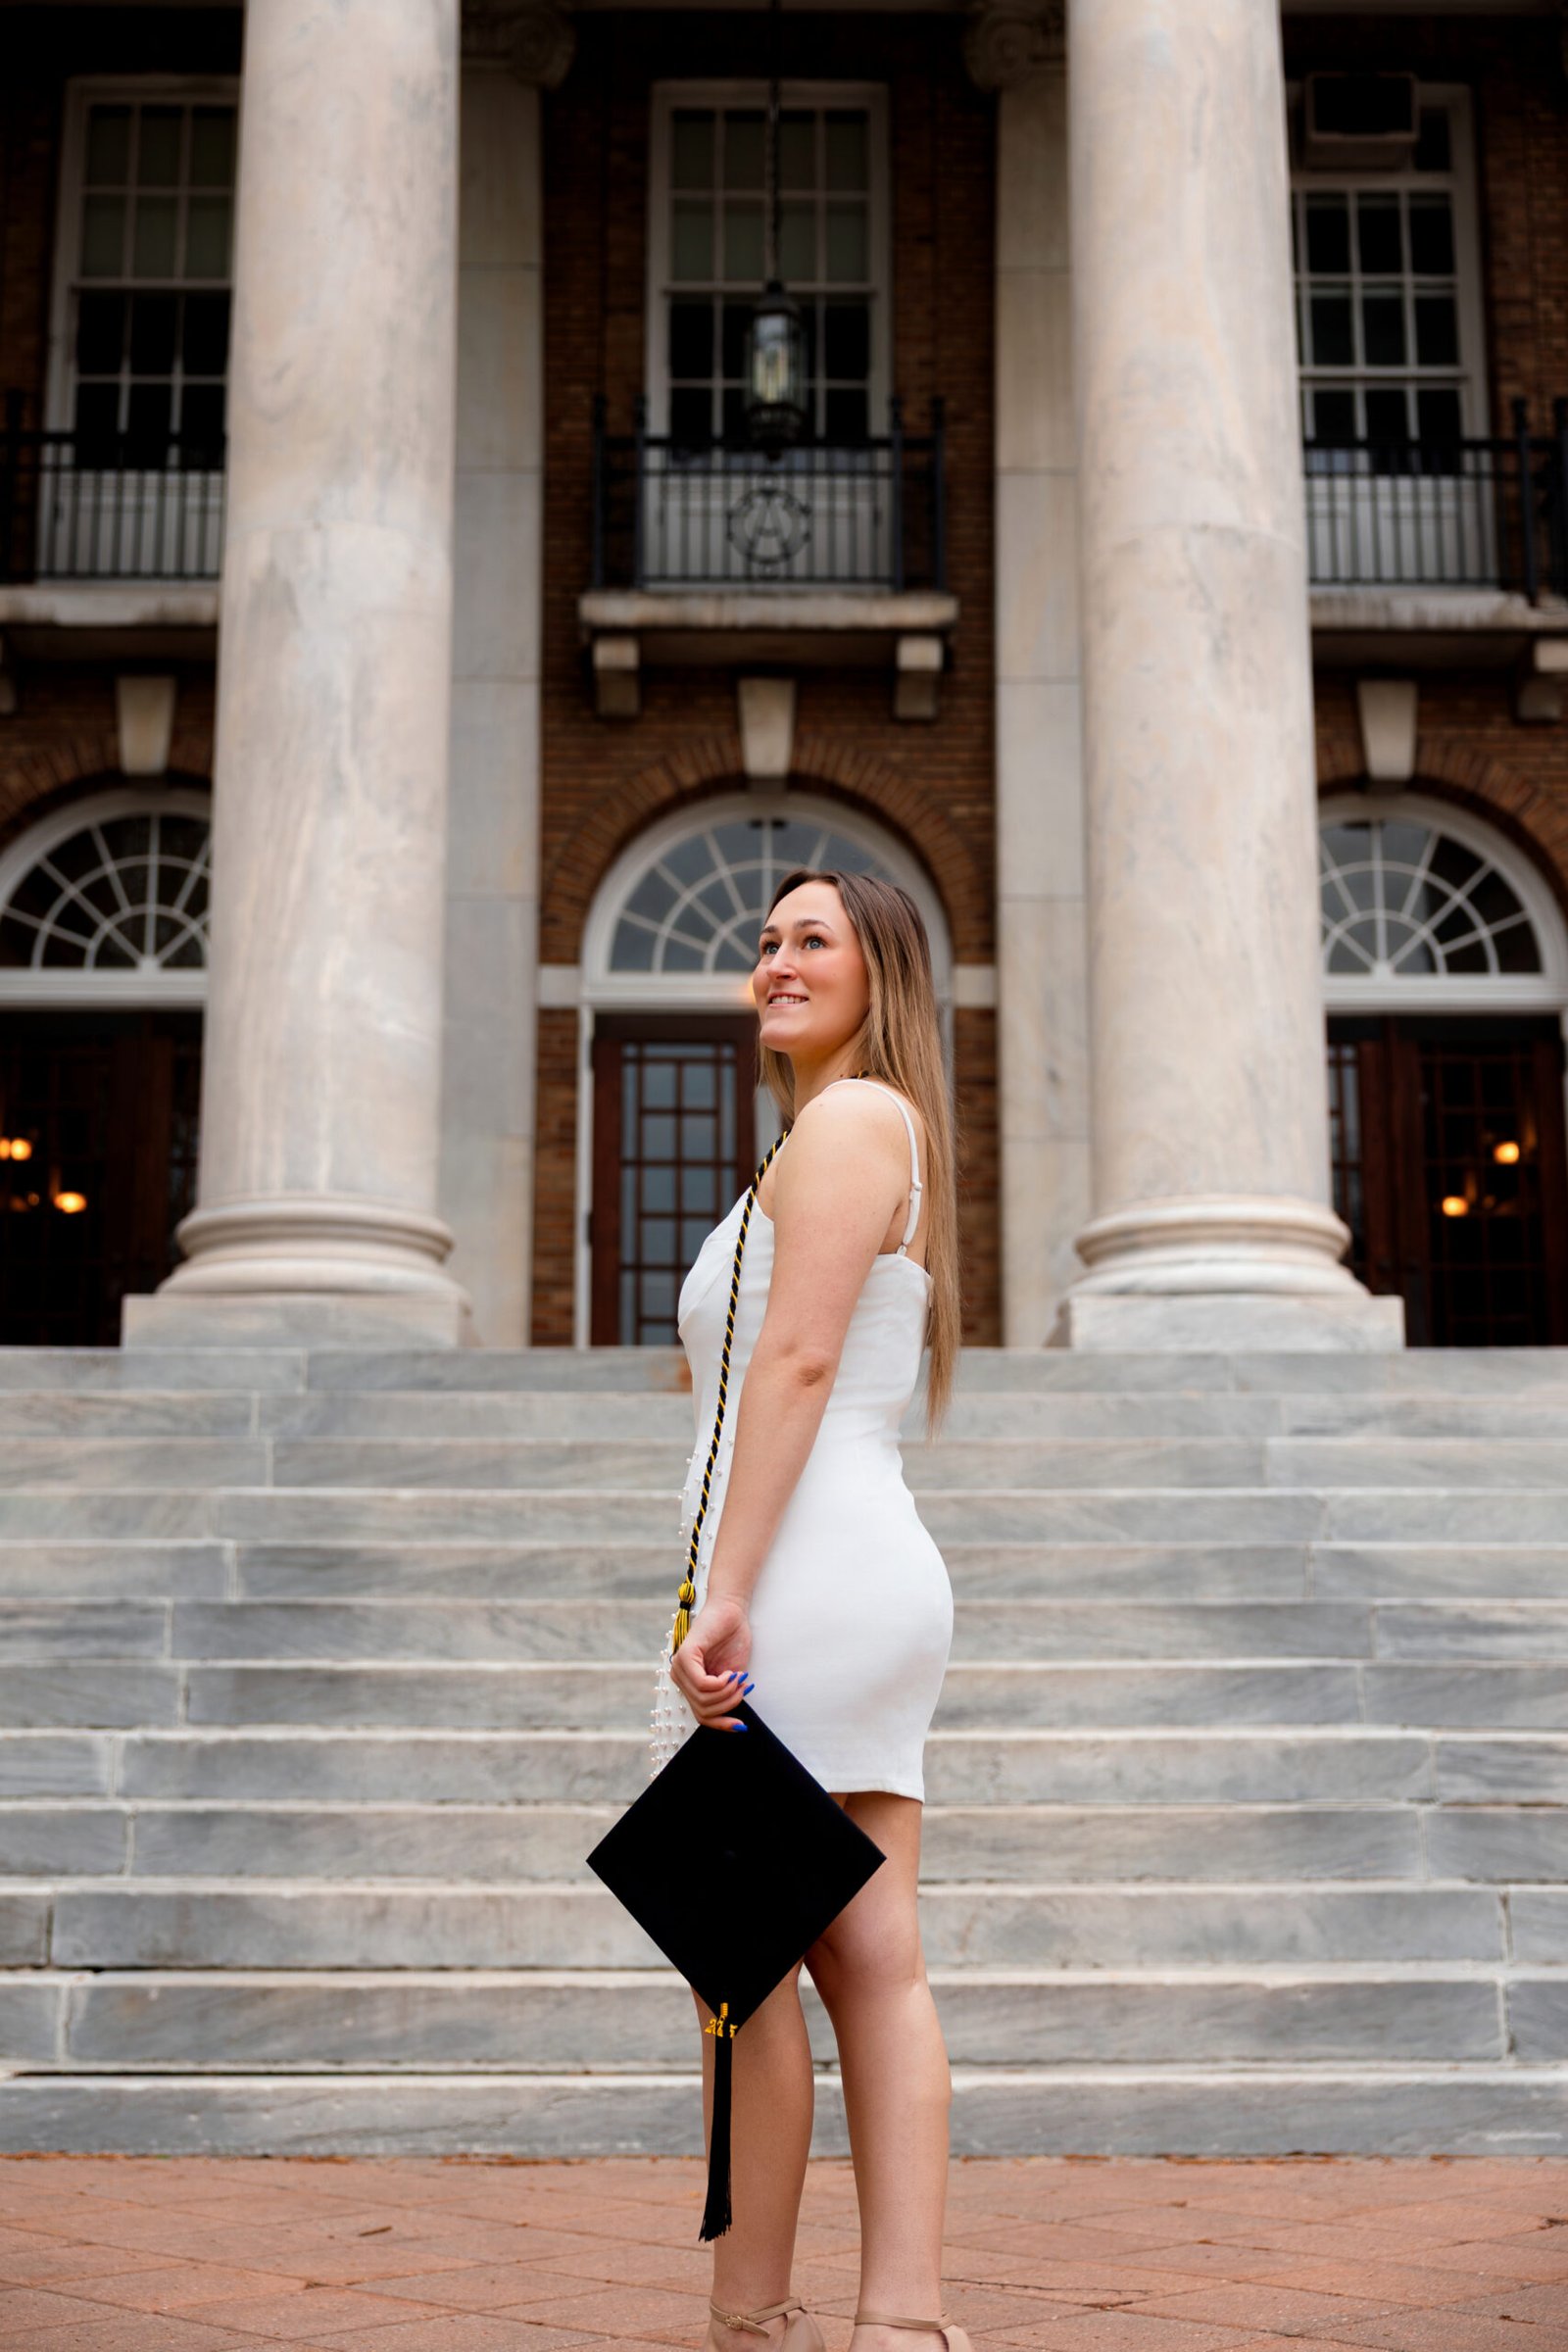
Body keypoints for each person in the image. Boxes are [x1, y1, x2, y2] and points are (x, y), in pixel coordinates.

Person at [669, 866, 969, 2352]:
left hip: (811, 1579)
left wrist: (725, 1591)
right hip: (825, 1566)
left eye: (813, 942)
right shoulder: (832, 1131)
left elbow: (792, 1369)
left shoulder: (853, 1122)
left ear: (879, 969)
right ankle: (886, 2319)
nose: (776, 962)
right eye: (768, 939)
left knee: (759, 1959)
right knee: (842, 1954)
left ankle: (763, 2318)